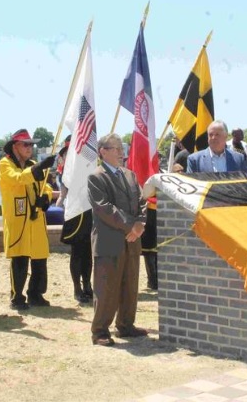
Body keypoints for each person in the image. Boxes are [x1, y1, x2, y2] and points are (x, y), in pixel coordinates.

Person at [88, 133, 147, 347]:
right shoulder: (97, 177)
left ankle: (126, 325)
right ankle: (100, 331)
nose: (122, 153)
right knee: (107, 287)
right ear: (103, 151)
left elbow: (142, 201)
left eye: (122, 148)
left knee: (130, 283)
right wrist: (130, 226)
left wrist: (140, 224)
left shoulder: (130, 175)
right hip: (109, 240)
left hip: (132, 240)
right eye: (116, 149)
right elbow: (105, 208)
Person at [0, 129, 55, 310]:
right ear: (15, 146)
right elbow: (17, 179)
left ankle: (36, 294)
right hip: (18, 218)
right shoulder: (5, 164)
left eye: (31, 144)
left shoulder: (32, 164)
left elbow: (45, 185)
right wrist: (37, 168)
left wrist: (45, 197)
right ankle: (17, 297)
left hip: (36, 217)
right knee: (20, 258)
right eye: (26, 144)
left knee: (40, 258)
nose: (30, 147)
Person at [56, 136, 94, 304]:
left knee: (88, 252)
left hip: (88, 210)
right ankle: (77, 287)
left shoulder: (88, 165)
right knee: (77, 252)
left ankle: (87, 284)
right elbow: (66, 183)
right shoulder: (67, 168)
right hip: (74, 211)